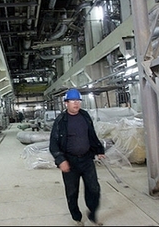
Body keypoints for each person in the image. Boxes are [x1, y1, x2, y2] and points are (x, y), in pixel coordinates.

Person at [49, 88, 105, 226]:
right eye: (73, 101)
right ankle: (77, 217)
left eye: (78, 100)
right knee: (72, 191)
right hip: (70, 161)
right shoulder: (61, 120)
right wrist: (60, 160)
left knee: (94, 188)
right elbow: (53, 143)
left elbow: (91, 135)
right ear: (66, 103)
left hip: (86, 159)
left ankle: (92, 215)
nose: (76, 103)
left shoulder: (85, 116)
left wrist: (98, 149)